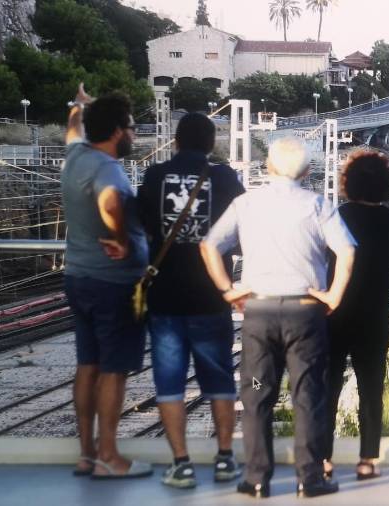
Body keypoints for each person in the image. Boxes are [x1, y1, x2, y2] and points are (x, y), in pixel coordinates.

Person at [201, 137, 355, 498]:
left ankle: (257, 478)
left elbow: (209, 245)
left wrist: (228, 289)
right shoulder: (319, 205)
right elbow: (347, 251)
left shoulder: (246, 203)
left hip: (259, 313)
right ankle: (310, 478)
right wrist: (333, 295)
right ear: (306, 171)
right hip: (305, 316)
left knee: (257, 395)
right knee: (308, 394)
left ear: (268, 167)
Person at [137, 113, 244, 488]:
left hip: (165, 297)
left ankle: (181, 464)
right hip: (211, 295)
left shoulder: (154, 177)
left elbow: (144, 227)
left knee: (169, 384)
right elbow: (242, 232)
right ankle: (226, 459)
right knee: (219, 381)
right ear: (211, 143)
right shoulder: (226, 178)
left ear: (176, 141)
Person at [61, 84, 152, 479]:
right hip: (112, 283)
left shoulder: (76, 154)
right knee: (113, 370)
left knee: (87, 364)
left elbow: (73, 128)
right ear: (117, 131)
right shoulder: (108, 169)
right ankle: (110, 458)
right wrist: (120, 240)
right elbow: (111, 201)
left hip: (78, 276)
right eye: (131, 126)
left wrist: (79, 107)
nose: (133, 133)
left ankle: (86, 453)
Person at [321, 151, 389, 481]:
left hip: (335, 314)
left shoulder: (338, 216)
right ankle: (367, 460)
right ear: (385, 184)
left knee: (327, 389)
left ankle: (323, 460)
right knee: (372, 390)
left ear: (349, 182)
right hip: (375, 318)